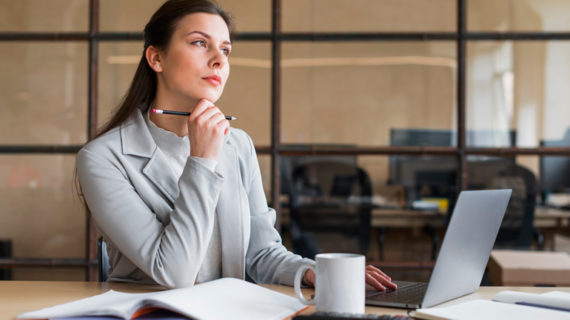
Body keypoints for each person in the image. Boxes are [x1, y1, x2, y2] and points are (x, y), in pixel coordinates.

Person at [76, 0, 397, 291]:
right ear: (156, 57)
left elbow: (260, 253)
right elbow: (173, 272)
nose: (219, 60)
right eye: (200, 43)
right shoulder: (103, 158)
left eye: (226, 50)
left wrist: (313, 272)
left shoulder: (238, 144)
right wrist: (201, 161)